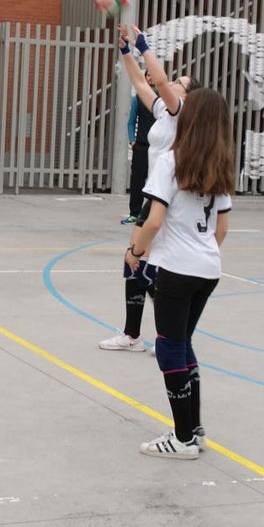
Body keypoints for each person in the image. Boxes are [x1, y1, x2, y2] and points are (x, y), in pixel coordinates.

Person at [125, 88, 234, 459]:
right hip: (208, 268)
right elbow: (222, 229)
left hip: (177, 268)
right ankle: (195, 430)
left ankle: (183, 438)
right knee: (183, 343)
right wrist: (202, 252)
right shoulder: (220, 165)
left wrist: (135, 252)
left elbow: (154, 220)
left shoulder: (171, 161)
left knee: (169, 348)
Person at [100, 26, 201, 353]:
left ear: (188, 95)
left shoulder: (182, 112)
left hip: (171, 200)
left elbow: (157, 79)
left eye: (180, 82)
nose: (173, 82)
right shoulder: (163, 111)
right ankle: (134, 335)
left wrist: (142, 45)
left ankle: (171, 335)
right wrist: (125, 52)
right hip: (153, 196)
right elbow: (142, 83)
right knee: (137, 261)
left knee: (151, 266)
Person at [123, 69, 156, 224]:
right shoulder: (138, 98)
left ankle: (151, 213)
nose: (151, 78)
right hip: (141, 146)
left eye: (153, 75)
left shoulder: (163, 100)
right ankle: (134, 213)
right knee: (137, 181)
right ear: (145, 78)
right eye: (148, 75)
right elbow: (131, 122)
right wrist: (133, 141)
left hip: (158, 147)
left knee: (156, 181)